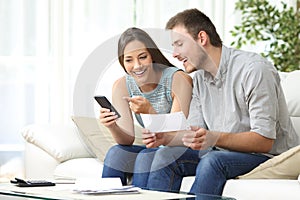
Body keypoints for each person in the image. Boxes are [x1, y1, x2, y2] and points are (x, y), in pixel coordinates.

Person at [140, 8, 299, 195]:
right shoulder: (199, 79)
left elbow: (264, 141)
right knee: (162, 155)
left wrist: (214, 138)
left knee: (212, 161)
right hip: (221, 152)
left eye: (179, 44)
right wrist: (166, 138)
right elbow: (195, 133)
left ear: (201, 38)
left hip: (266, 156)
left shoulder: (254, 70)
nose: (174, 54)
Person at [99, 27, 193, 185]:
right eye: (129, 60)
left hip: (184, 148)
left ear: (152, 56)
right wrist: (112, 126)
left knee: (146, 156)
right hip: (156, 148)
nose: (137, 66)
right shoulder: (122, 85)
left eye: (142, 57)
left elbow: (176, 135)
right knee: (116, 153)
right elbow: (127, 140)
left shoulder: (178, 79)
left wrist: (150, 111)